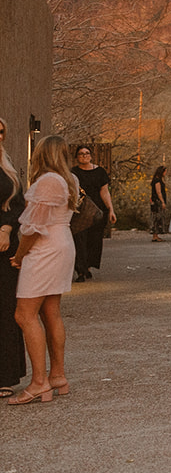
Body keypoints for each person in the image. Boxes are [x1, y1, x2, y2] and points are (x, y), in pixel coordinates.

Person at [8, 136, 78, 406]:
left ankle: (39, 382)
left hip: (45, 248)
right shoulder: (69, 179)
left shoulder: (48, 181)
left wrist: (19, 255)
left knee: (24, 314)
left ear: (42, 155)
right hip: (62, 244)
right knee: (50, 311)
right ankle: (57, 376)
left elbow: (31, 228)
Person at [1, 119, 27, 394]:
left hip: (4, 250)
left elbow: (19, 204)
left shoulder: (6, 167)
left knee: (6, 309)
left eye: (1, 132)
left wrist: (7, 226)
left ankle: (5, 375)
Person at [70, 144, 115, 282]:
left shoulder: (100, 172)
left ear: (91, 155)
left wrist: (111, 209)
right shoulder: (73, 173)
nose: (84, 156)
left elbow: (105, 192)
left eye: (87, 153)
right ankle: (81, 270)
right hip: (79, 211)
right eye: (81, 154)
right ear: (77, 157)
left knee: (94, 240)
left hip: (97, 211)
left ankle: (88, 266)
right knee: (79, 239)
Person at [148, 165, 168, 242]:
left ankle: (156, 235)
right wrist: (162, 201)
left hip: (155, 201)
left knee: (156, 217)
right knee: (157, 217)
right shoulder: (157, 181)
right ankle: (155, 235)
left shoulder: (157, 180)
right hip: (157, 202)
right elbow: (158, 192)